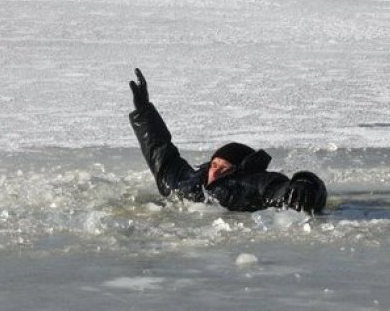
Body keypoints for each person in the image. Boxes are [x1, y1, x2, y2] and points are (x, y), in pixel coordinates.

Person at [128, 68, 327, 213]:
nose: (216, 170)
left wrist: (305, 183)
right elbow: (162, 152)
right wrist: (144, 111)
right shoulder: (190, 181)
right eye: (215, 164)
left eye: (225, 167)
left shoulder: (256, 182)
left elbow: (283, 189)